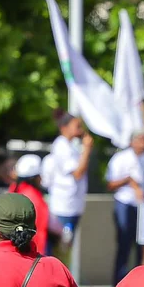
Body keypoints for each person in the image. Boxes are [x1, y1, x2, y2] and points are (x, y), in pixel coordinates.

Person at [47, 111, 94, 264]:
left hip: (73, 205)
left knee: (67, 246)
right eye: (77, 126)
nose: (80, 130)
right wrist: (87, 149)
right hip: (64, 206)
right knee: (61, 247)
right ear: (64, 127)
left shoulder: (71, 146)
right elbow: (78, 172)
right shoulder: (61, 146)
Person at [107, 131, 144, 285]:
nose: (142, 144)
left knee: (142, 247)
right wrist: (129, 180)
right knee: (124, 244)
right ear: (132, 142)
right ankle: (118, 283)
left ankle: (137, 284)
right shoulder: (121, 158)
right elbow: (110, 184)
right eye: (139, 140)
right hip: (124, 203)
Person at [9, 154, 57, 256]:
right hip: (33, 250)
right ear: (34, 177)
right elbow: (47, 222)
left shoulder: (13, 190)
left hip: (13, 250)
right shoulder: (33, 196)